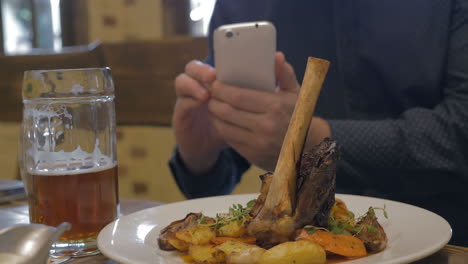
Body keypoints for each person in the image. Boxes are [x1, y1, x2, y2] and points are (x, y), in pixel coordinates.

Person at [169, 0, 468, 246]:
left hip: (452, 240)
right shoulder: (239, 8)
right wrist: (201, 155)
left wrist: (314, 141)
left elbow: (460, 131)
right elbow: (213, 183)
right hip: (289, 245)